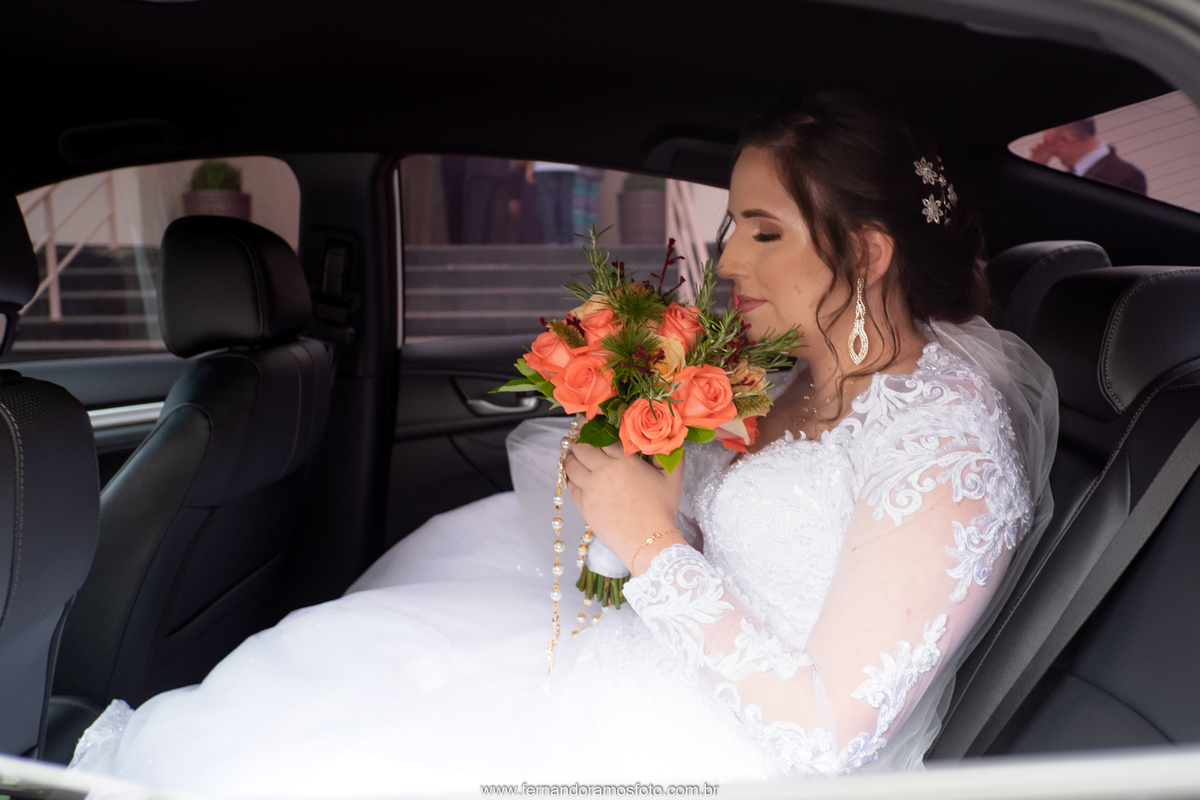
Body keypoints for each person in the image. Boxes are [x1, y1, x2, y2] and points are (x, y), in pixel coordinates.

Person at [67, 90, 1057, 797]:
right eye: (730, 227)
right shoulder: (811, 375)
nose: (726, 259)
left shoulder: (946, 446)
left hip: (722, 760)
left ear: (868, 251)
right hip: (651, 671)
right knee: (316, 689)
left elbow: (830, 733)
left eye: (763, 231)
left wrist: (653, 542)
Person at [1030, 118, 1147, 194]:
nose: (1050, 151)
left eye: (1049, 143)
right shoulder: (1070, 174)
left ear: (1066, 138)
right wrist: (1037, 167)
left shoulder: (1126, 175)